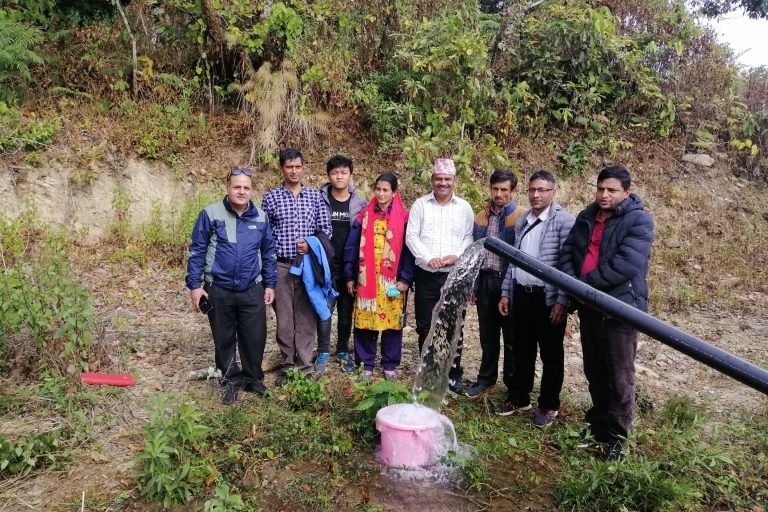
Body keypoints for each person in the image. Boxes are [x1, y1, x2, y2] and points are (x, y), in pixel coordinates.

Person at [558, 165, 654, 461]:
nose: (604, 194)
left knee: (619, 377)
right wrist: (572, 284)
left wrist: (582, 286)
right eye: (601, 188)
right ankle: (598, 427)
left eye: (612, 190)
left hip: (619, 311)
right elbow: (568, 252)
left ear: (627, 192)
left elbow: (625, 264)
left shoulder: (639, 221)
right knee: (595, 371)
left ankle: (618, 439)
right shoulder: (587, 216)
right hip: (589, 309)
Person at [186, 168, 277, 405]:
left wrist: (270, 284)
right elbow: (197, 250)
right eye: (237, 187)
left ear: (252, 190)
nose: (242, 191)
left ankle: (253, 379)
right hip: (219, 288)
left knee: (254, 336)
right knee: (224, 338)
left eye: (246, 187)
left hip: (252, 288)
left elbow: (268, 253)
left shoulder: (261, 217)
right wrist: (195, 285)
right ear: (227, 187)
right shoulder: (210, 214)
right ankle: (230, 381)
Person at [496, 170, 575, 426]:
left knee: (551, 354)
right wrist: (506, 292)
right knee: (521, 350)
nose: (536, 195)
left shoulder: (563, 222)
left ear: (553, 192)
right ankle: (519, 397)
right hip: (522, 294)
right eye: (532, 190)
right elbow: (513, 260)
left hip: (547, 298)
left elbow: (568, 265)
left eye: (542, 190)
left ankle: (549, 405)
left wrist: (562, 300)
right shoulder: (524, 220)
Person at [262, 149, 332, 385]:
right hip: (281, 266)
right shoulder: (271, 198)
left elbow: (325, 229)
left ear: (303, 168)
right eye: (289, 167)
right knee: (284, 319)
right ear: (282, 169)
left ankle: (304, 366)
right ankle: (288, 365)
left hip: (308, 266)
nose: (294, 171)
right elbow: (265, 235)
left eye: (298, 166)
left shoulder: (315, 197)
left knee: (305, 317)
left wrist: (310, 244)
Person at [405, 158, 474, 395]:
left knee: (453, 326)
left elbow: (468, 237)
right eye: (439, 178)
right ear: (432, 179)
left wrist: (457, 256)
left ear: (454, 180)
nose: (443, 183)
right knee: (425, 326)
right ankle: (428, 374)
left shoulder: (464, 207)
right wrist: (428, 258)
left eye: (447, 179)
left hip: (454, 276)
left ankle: (453, 376)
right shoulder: (420, 205)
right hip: (426, 275)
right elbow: (411, 236)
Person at [343, 173, 414, 381]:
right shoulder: (365, 215)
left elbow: (409, 251)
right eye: (378, 189)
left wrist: (405, 279)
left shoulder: (404, 217)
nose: (381, 194)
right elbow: (352, 245)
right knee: (366, 321)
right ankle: (365, 364)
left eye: (385, 190)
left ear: (394, 193)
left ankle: (390, 364)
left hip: (392, 281)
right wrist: (350, 275)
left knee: (392, 324)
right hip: (367, 280)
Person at [465, 169, 525, 399]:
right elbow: (475, 252)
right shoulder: (482, 216)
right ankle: (485, 379)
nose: (498, 194)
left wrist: (510, 288)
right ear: (490, 188)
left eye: (504, 190)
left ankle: (512, 384)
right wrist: (474, 285)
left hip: (509, 282)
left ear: (513, 191)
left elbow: (520, 255)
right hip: (486, 281)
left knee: (511, 337)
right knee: (487, 336)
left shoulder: (520, 216)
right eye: (495, 189)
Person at [317, 155, 367, 374]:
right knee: (324, 310)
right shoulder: (319, 199)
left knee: (346, 312)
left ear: (350, 175)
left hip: (349, 268)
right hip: (325, 266)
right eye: (335, 173)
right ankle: (323, 351)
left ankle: (343, 350)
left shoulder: (360, 203)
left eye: (343, 172)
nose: (339, 176)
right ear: (328, 175)